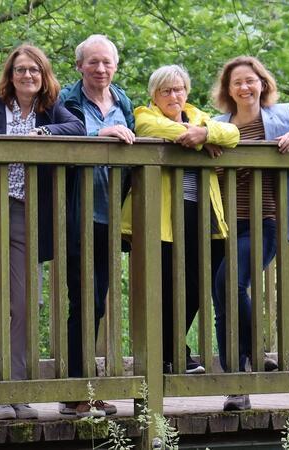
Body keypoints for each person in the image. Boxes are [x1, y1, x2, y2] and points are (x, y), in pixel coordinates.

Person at [210, 56, 289, 411]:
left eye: (251, 80)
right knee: (222, 299)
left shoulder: (281, 117)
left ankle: (249, 354)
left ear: (262, 84)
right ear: (228, 90)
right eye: (237, 82)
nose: (245, 87)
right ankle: (238, 385)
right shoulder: (217, 124)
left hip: (264, 222)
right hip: (221, 225)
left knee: (230, 283)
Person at [0, 44, 85, 420]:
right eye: (20, 70)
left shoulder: (50, 109)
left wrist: (44, 130)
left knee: (25, 305)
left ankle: (18, 390)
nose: (27, 76)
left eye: (34, 70)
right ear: (11, 75)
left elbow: (78, 128)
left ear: (43, 75)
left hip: (31, 216)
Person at [125, 65, 239, 377]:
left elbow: (233, 133)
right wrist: (202, 141)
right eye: (166, 91)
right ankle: (172, 354)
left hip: (202, 214)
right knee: (165, 286)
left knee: (196, 285)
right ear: (154, 95)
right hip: (162, 218)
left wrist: (207, 132)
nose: (174, 96)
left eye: (179, 89)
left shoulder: (201, 118)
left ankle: (173, 351)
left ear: (186, 92)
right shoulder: (145, 115)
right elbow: (150, 130)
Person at [57, 34, 134, 418]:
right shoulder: (67, 101)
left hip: (112, 216)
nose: (100, 69)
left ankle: (84, 386)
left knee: (98, 301)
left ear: (115, 67)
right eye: (93, 63)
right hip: (78, 214)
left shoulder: (123, 102)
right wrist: (98, 135)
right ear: (79, 67)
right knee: (83, 300)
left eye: (106, 62)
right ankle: (75, 393)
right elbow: (61, 139)